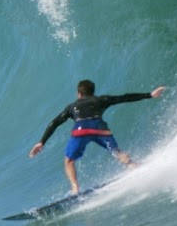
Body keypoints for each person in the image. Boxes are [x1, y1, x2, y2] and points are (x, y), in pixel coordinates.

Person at [28, 79, 166, 194]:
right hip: (99, 128)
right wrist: (150, 94)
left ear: (79, 94)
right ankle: (132, 165)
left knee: (69, 161)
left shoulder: (72, 107)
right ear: (93, 92)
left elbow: (55, 122)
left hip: (80, 130)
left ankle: (75, 188)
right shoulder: (101, 100)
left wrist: (42, 142)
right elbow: (124, 97)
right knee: (116, 152)